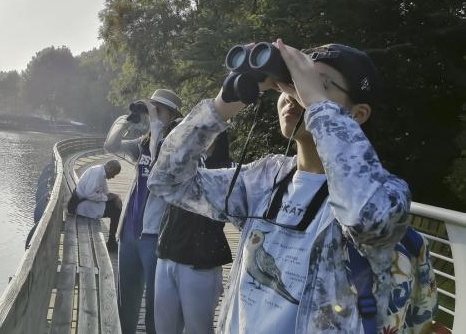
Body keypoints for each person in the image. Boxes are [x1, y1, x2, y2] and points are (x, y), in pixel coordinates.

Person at [148, 40, 436, 333]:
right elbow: (168, 181)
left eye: (319, 84)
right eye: (291, 84)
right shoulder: (265, 179)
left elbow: (368, 219)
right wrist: (222, 105)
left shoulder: (383, 192)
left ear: (358, 114)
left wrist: (317, 105)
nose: (295, 96)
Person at [104, 88, 183, 334]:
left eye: (158, 110)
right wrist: (128, 119)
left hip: (155, 235)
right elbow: (111, 146)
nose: (153, 115)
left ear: (171, 116)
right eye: (152, 109)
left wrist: (157, 125)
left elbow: (161, 167)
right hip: (128, 231)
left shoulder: (178, 147)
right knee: (125, 298)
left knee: (155, 303)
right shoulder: (142, 145)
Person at [154, 130, 233, 334]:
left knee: (198, 329)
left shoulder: (227, 170)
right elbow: (159, 166)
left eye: (208, 132)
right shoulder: (182, 161)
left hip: (201, 262)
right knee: (164, 328)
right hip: (167, 255)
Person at [74, 159, 122, 252]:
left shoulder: (100, 171)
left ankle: (112, 241)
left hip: (87, 203)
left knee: (116, 205)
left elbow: (106, 192)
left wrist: (116, 197)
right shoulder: (97, 174)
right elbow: (89, 194)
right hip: (83, 206)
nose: (113, 177)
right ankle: (112, 242)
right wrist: (107, 198)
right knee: (116, 210)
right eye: (114, 173)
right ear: (110, 168)